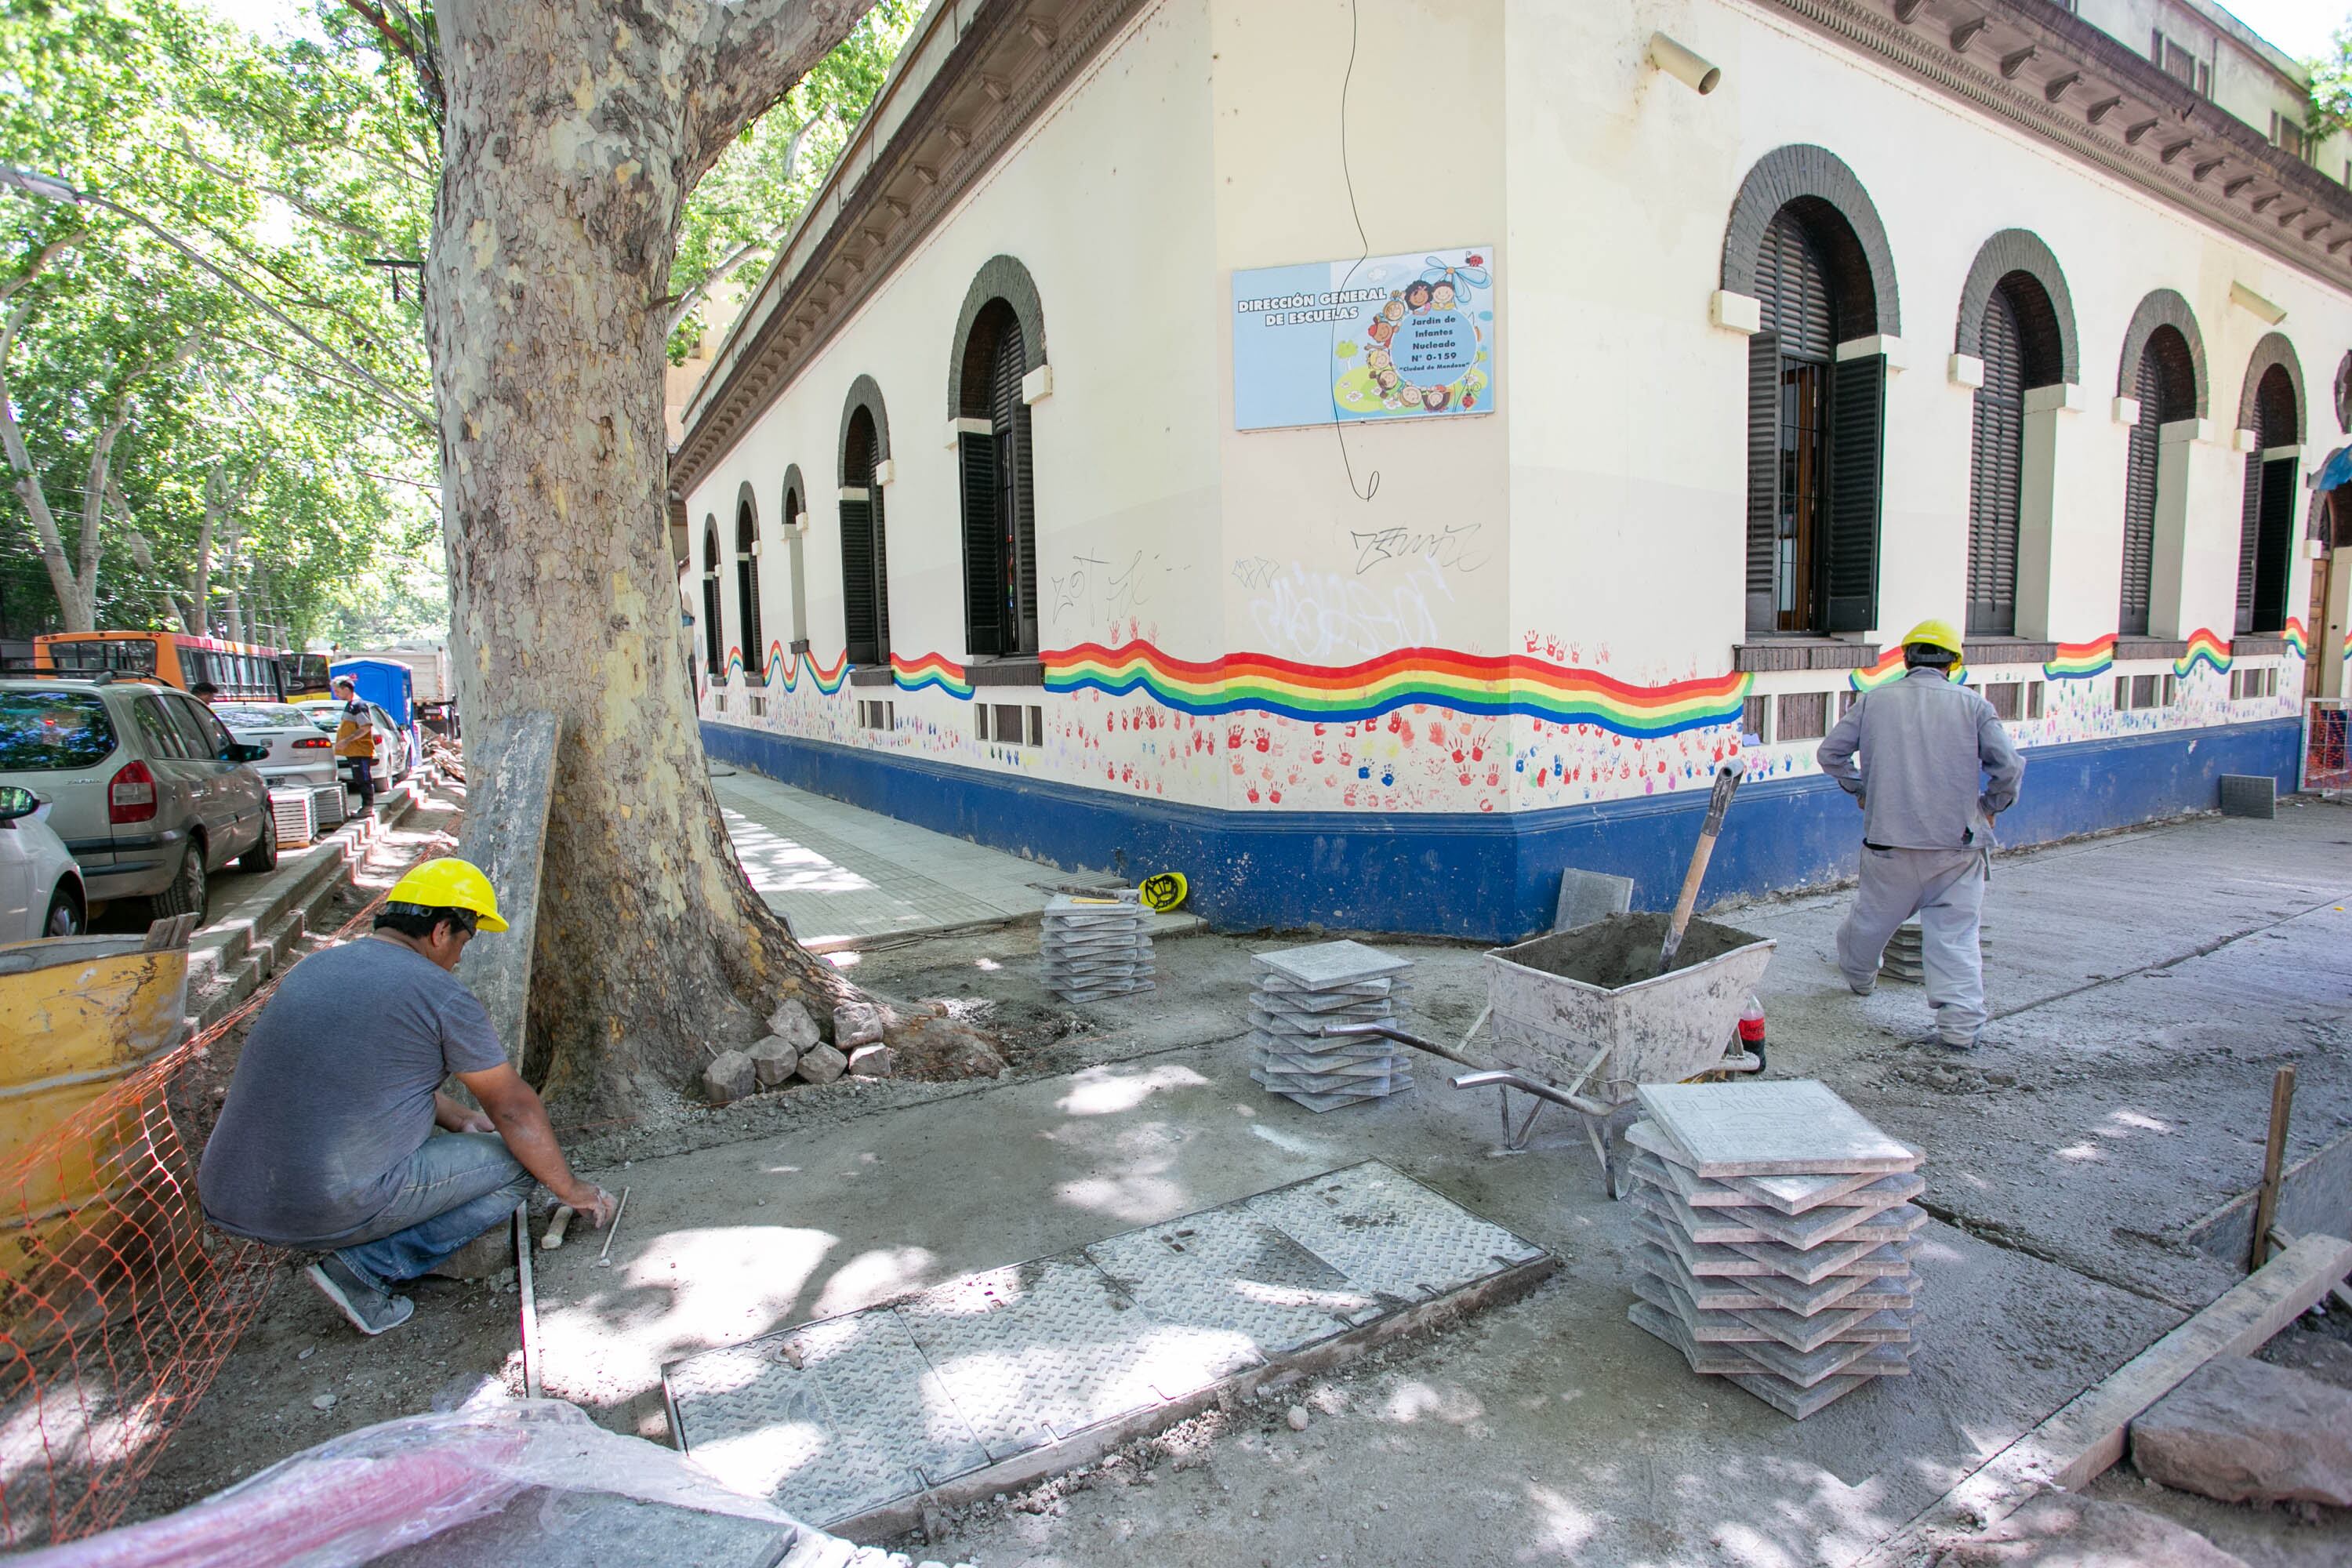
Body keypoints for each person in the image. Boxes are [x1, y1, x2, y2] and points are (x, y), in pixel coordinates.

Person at [198, 858, 618, 1335]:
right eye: (464, 940)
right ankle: (364, 1269)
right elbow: (513, 1108)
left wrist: (460, 1119)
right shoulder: (440, 994)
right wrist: (569, 1188)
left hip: (229, 1196)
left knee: (494, 1147)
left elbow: (354, 1077)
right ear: (441, 931)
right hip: (322, 1204)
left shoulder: (314, 968)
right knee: (522, 1163)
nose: (460, 957)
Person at [1815, 619, 2024, 1050]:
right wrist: (1989, 807)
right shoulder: (1974, 706)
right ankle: (1961, 1029)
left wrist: (1860, 789)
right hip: (1957, 849)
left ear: (1906, 658)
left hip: (1888, 842)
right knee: (1955, 938)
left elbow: (1830, 753)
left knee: (1870, 923)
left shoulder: (1875, 701)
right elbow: (2009, 769)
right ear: (1954, 663)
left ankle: (1859, 979)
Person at [332, 675, 378, 815]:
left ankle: (367, 807)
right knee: (359, 778)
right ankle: (365, 807)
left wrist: (346, 740)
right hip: (353, 750)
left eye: (337, 691)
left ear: (346, 689)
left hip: (360, 750)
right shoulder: (351, 705)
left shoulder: (358, 705)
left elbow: (365, 727)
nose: (336, 694)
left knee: (363, 779)